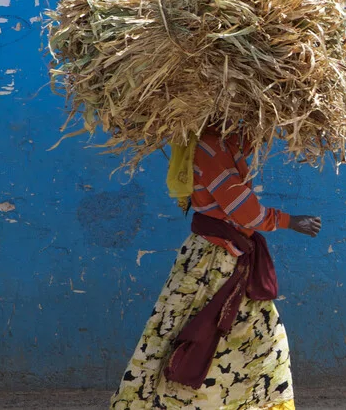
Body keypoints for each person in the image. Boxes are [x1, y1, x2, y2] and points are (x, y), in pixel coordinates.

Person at [110, 129, 321, 410]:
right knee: (209, 334)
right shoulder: (209, 149)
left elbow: (245, 146)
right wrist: (290, 221)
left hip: (221, 256)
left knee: (240, 336)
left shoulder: (221, 143)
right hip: (217, 263)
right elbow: (245, 211)